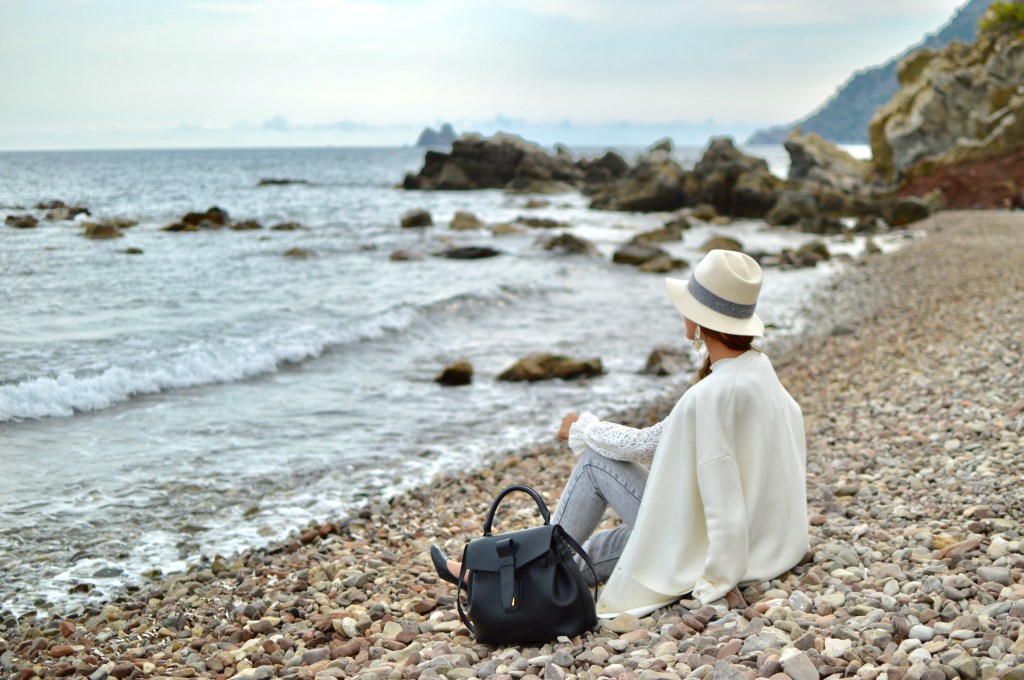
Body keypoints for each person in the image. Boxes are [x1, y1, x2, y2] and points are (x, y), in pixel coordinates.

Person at [432, 249, 809, 618]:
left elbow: (646, 446)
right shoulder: (759, 371)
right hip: (759, 541)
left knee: (596, 463)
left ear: (701, 318)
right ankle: (495, 575)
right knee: (617, 546)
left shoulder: (714, 393)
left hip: (718, 545)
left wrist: (583, 429)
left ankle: (501, 572)